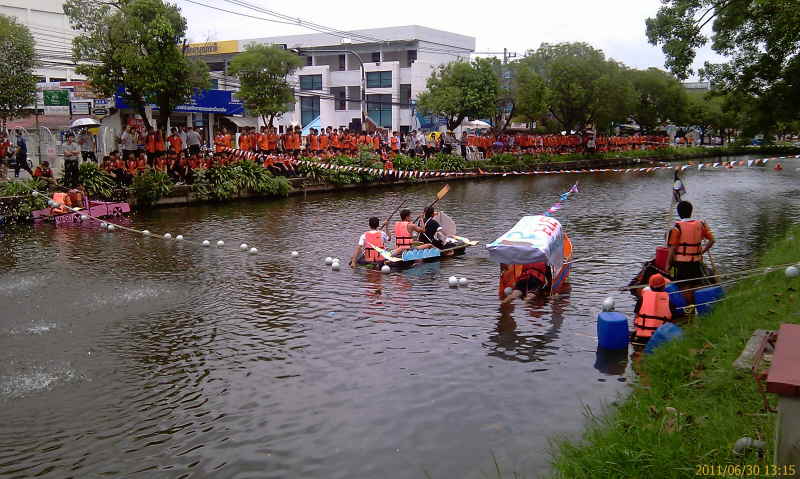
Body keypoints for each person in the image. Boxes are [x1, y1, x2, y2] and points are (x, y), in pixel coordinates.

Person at [666, 201, 715, 283]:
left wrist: (668, 265)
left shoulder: (677, 228)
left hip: (682, 264)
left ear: (678, 213)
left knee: (683, 286)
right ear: (691, 212)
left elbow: (672, 249)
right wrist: (701, 252)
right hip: (696, 262)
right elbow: (712, 240)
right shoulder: (701, 225)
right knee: (696, 284)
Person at [633, 273, 672, 341]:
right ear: (663, 286)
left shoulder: (642, 298)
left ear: (650, 286)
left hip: (641, 335)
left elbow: (636, 316)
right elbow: (672, 316)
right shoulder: (668, 300)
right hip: (659, 335)